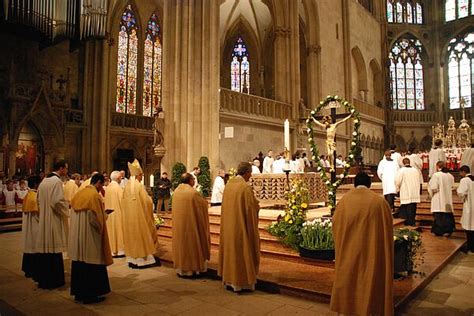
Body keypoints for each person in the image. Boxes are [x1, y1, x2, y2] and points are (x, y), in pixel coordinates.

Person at [330, 172, 393, 316]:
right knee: (369, 280)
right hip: (372, 251)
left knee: (349, 280)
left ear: (354, 184)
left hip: (349, 251)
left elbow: (336, 225)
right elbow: (388, 228)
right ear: (370, 185)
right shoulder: (379, 202)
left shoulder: (344, 201)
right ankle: (369, 309)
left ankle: (348, 308)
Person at [69, 174, 113, 304]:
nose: (101, 188)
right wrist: (105, 216)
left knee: (80, 264)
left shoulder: (80, 193)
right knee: (91, 264)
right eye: (101, 184)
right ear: (98, 182)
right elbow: (95, 220)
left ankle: (79, 293)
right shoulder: (94, 196)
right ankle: (90, 295)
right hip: (90, 237)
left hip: (78, 237)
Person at [218, 162, 260, 292]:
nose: (251, 175)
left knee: (231, 252)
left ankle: (229, 280)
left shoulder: (229, 185)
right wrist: (257, 205)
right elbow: (250, 208)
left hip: (229, 226)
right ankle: (241, 282)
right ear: (247, 172)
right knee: (241, 252)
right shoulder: (245, 188)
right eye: (250, 172)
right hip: (240, 227)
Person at [35, 160, 69, 289]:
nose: (66, 171)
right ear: (61, 168)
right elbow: (57, 201)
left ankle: (44, 279)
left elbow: (38, 200)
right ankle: (54, 280)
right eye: (66, 168)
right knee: (54, 249)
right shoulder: (56, 181)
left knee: (46, 250)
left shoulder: (44, 181)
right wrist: (66, 208)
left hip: (45, 218)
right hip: (53, 219)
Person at [122, 159, 159, 269]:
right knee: (142, 236)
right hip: (139, 218)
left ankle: (132, 260)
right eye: (141, 175)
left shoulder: (128, 186)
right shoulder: (138, 186)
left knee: (132, 237)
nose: (142, 177)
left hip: (129, 218)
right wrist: (151, 200)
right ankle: (144, 260)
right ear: (138, 175)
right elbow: (147, 202)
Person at [172, 173, 210, 277]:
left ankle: (181, 268)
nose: (194, 181)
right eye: (193, 179)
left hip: (179, 226)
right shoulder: (193, 192)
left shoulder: (176, 191)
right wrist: (205, 203)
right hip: (190, 226)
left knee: (182, 246)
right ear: (190, 181)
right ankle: (192, 269)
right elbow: (202, 206)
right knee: (191, 245)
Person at [21, 176, 41, 279]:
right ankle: (34, 270)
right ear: (36, 184)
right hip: (35, 226)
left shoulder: (27, 195)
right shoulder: (36, 196)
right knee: (34, 247)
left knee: (29, 246)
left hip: (27, 226)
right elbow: (39, 214)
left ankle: (28, 270)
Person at [428, 161, 455, 237]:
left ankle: (439, 231)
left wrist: (430, 193)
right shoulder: (450, 175)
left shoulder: (436, 175)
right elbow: (452, 187)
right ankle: (448, 230)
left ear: (437, 166)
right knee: (447, 215)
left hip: (438, 198)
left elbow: (433, 188)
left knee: (439, 215)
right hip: (447, 199)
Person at [104, 171, 125, 257]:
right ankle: (119, 251)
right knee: (118, 231)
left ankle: (112, 251)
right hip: (117, 213)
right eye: (120, 177)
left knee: (111, 232)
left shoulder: (108, 187)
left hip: (109, 214)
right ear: (117, 178)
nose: (121, 179)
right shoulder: (118, 188)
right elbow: (123, 202)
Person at [395, 158, 421, 226]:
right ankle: (412, 221)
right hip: (414, 191)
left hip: (406, 191)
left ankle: (409, 222)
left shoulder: (401, 171)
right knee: (413, 207)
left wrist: (397, 189)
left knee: (407, 207)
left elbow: (397, 181)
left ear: (403, 163)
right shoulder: (415, 170)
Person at [457, 165, 474, 253]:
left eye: (460, 172)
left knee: (469, 227)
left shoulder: (465, 180)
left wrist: (462, 197)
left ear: (463, 172)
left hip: (469, 205)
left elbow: (461, 192)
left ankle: (470, 246)